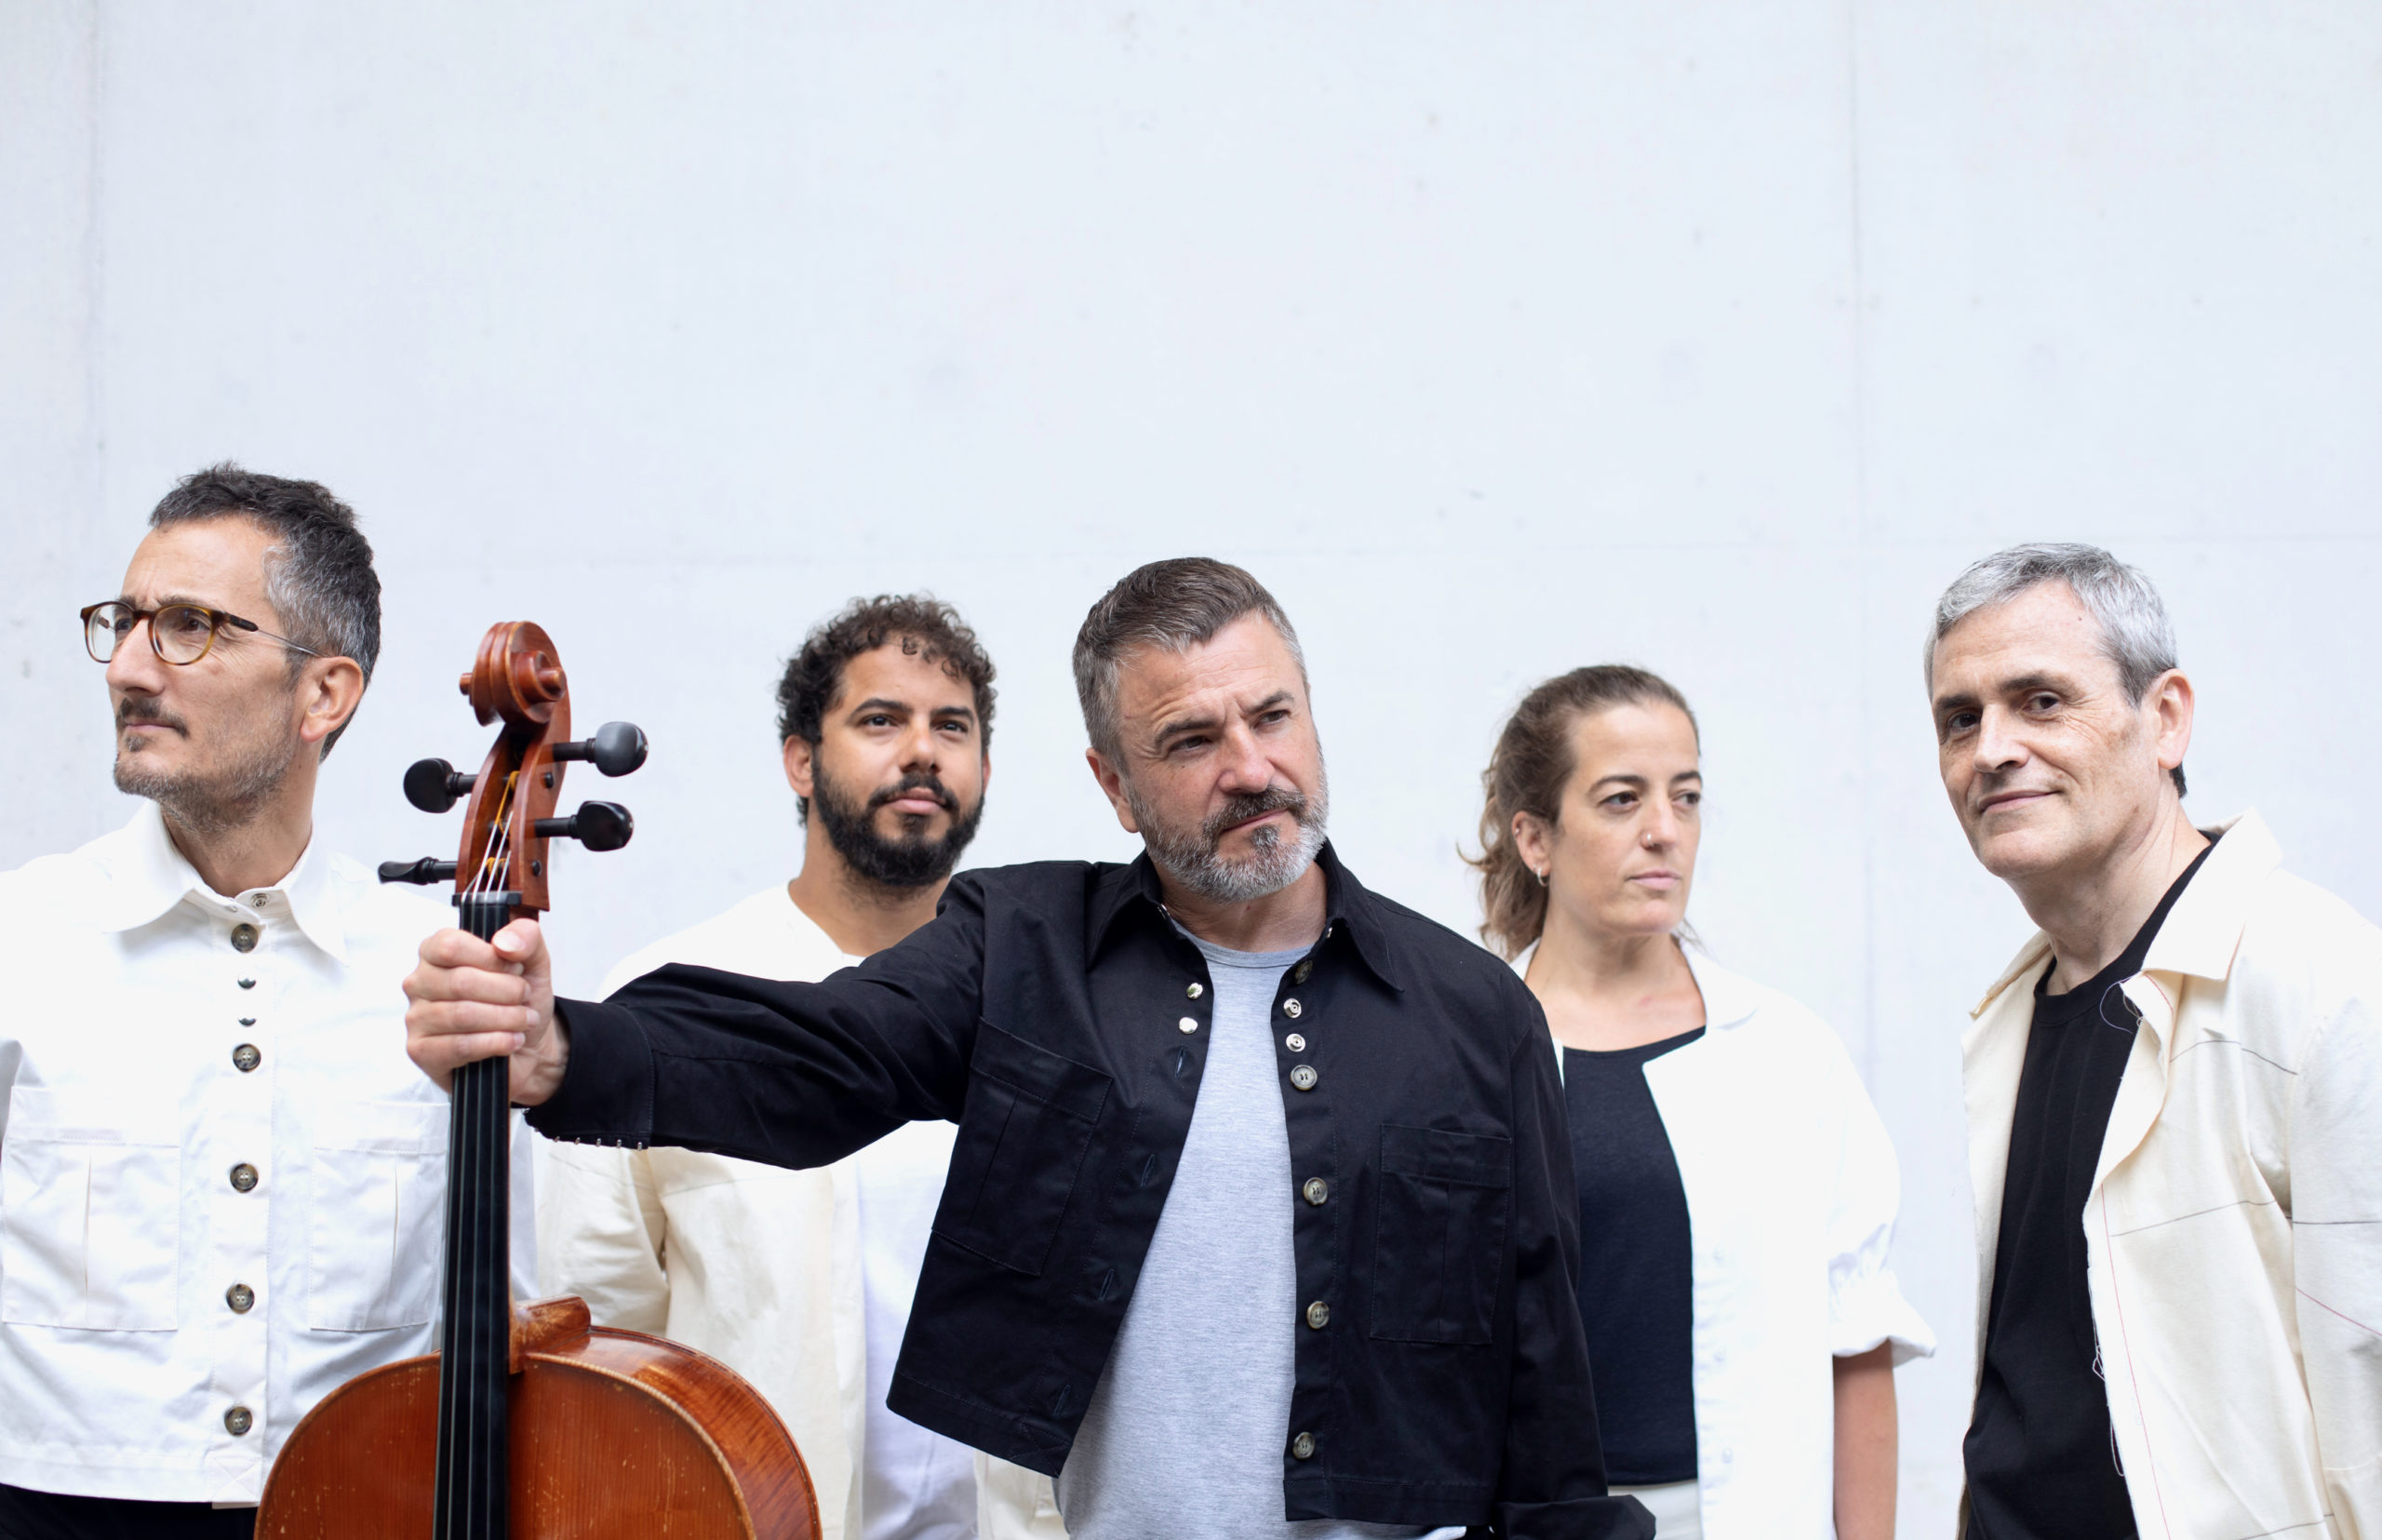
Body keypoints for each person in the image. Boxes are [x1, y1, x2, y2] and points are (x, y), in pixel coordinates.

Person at [405, 557, 1652, 1540]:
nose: (1249, 767)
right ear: (1113, 785)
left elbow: (1546, 1372)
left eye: (1272, 715)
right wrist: (561, 1046)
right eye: (1190, 740)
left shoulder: (1476, 1010)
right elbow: (821, 1052)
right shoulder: (1023, 943)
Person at [0, 466, 531, 1538]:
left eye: (189, 627)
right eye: (125, 622)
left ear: (323, 693)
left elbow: (520, 1318)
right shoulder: (21, 939)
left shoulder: (438, 975)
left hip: (364, 1506)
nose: (130, 667)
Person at [537, 594, 1055, 1540]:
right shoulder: (672, 1004)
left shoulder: (1053, 1007)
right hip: (754, 1519)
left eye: (952, 726)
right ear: (801, 760)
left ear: (984, 767)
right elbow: (598, 1332)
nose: (922, 751)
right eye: (880, 720)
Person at [1928, 543, 2381, 1540]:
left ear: (2166, 718)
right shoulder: (2011, 1015)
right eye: (1960, 718)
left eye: (2041, 701)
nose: (1991, 748)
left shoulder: (2318, 982)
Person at [1471, 666, 1933, 1540]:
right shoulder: (1463, 1058)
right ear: (1535, 838)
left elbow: (1857, 1335)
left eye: (1685, 796)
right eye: (1621, 799)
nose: (1664, 830)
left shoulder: (1788, 1054)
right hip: (1538, 1521)